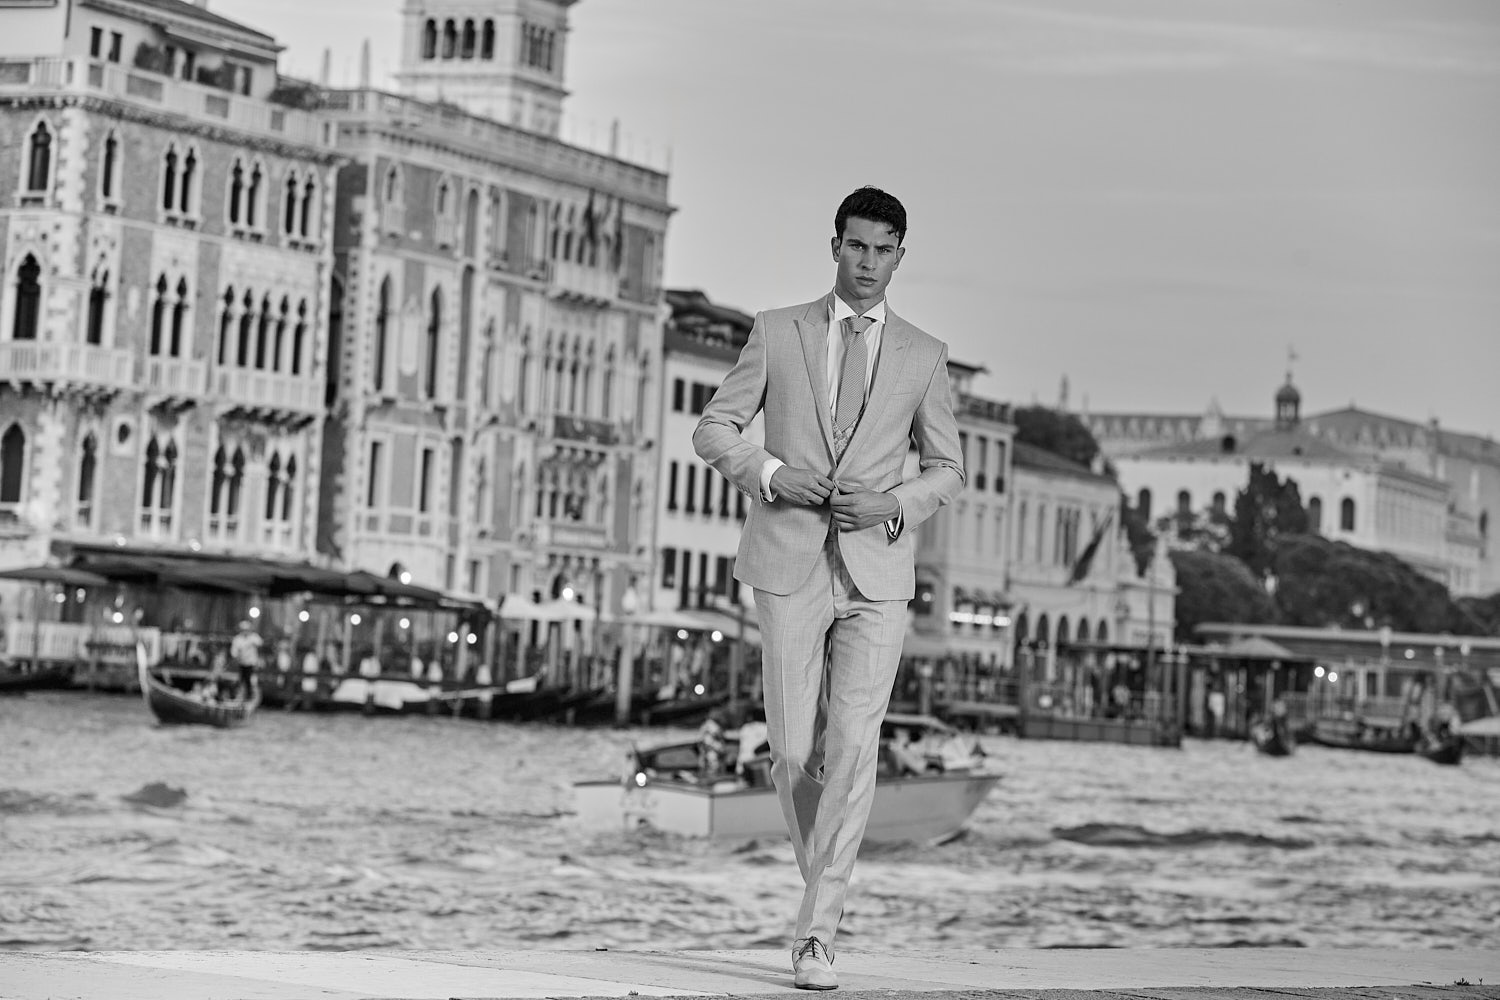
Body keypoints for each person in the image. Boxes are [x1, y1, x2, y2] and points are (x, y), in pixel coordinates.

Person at [693, 186, 964, 990]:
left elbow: (948, 470)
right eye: (857, 247)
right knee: (794, 754)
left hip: (877, 571)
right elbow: (713, 429)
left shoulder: (925, 354)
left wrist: (894, 503)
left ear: (900, 256)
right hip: (787, 563)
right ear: (835, 246)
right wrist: (775, 474)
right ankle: (821, 883)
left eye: (884, 250)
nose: (869, 263)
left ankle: (817, 935)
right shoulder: (777, 333)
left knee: (854, 750)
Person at [229, 620, 262, 701]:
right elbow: (234, 651)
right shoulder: (237, 639)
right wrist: (236, 655)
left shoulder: (254, 637)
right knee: (240, 679)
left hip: (251, 663)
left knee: (249, 679)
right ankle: (237, 694)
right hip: (241, 663)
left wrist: (251, 642)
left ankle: (249, 695)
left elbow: (260, 642)